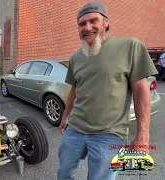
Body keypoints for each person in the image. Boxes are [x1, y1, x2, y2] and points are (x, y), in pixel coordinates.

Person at [57, 2, 158, 180]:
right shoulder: (76, 57)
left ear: (106, 23)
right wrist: (65, 117)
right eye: (82, 24)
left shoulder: (130, 46)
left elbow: (141, 91)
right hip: (75, 130)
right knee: (64, 172)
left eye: (93, 21)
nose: (87, 27)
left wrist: (143, 137)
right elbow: (74, 90)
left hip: (109, 135)